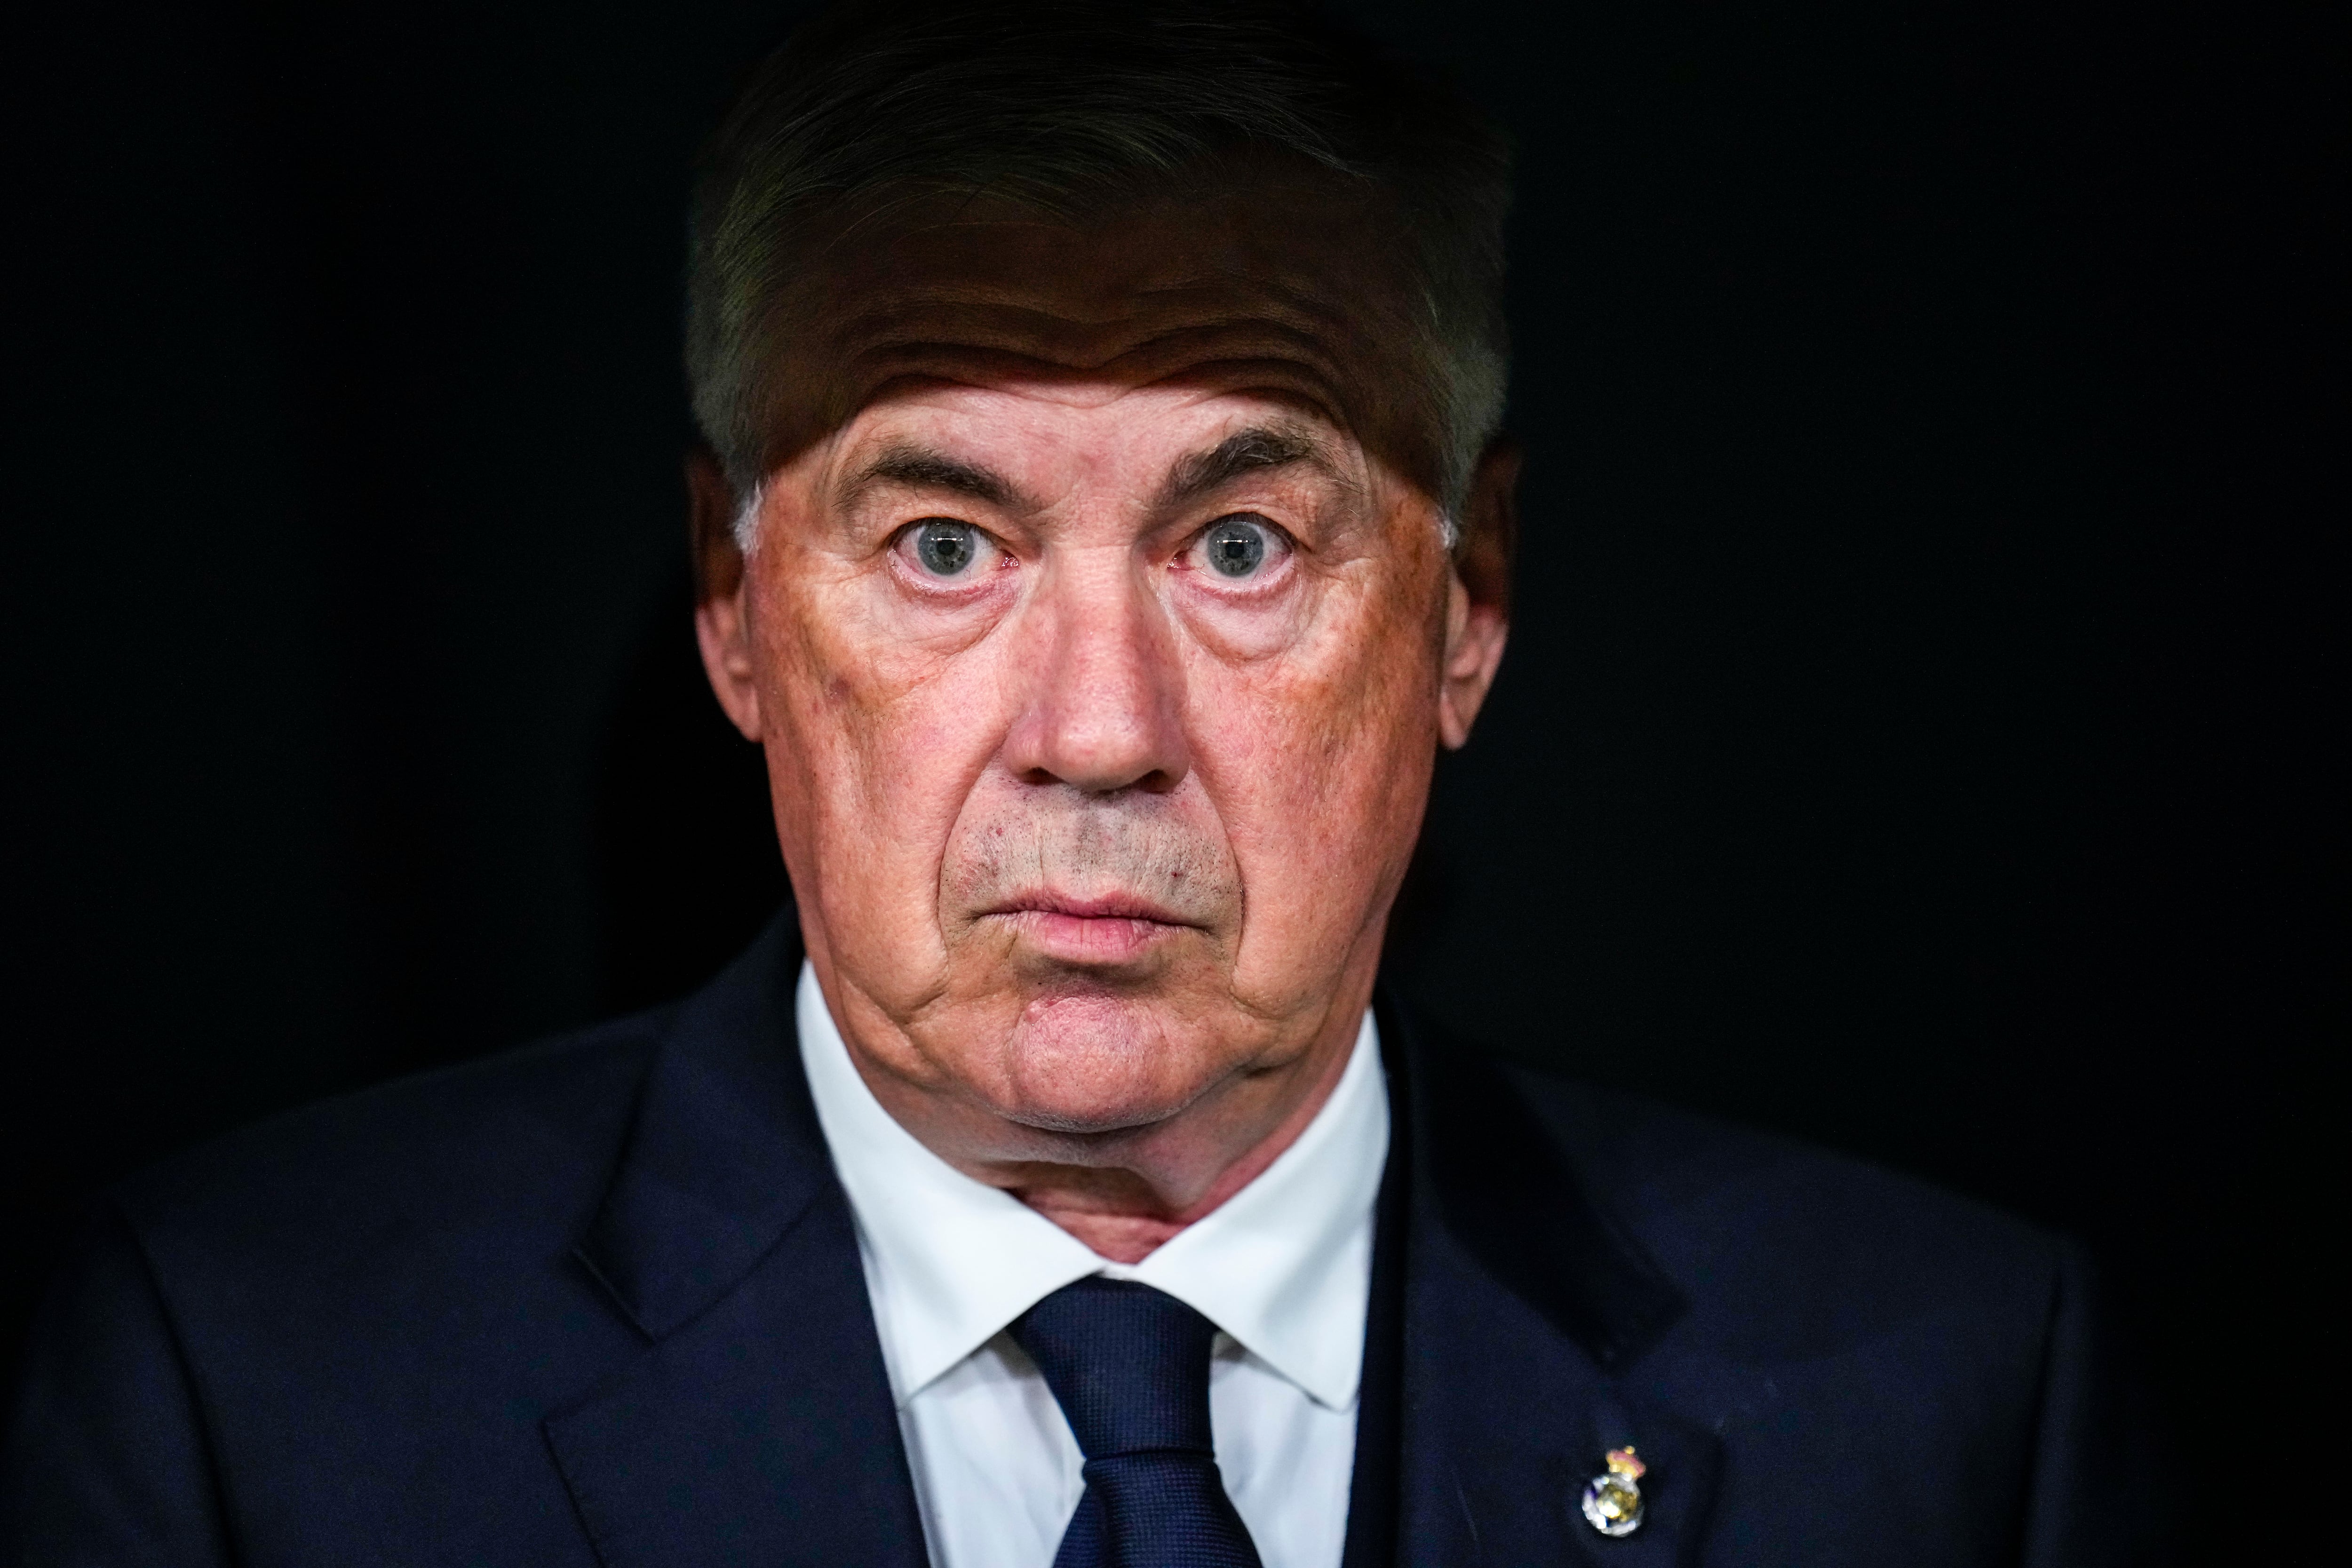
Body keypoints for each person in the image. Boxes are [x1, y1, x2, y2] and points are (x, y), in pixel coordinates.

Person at [1, 3, 2152, 1563]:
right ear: (736, 612)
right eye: (944, 544)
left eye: (1240, 544)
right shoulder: (242, 1392)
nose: (1099, 729)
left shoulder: (1945, 1402)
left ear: (1466, 608)